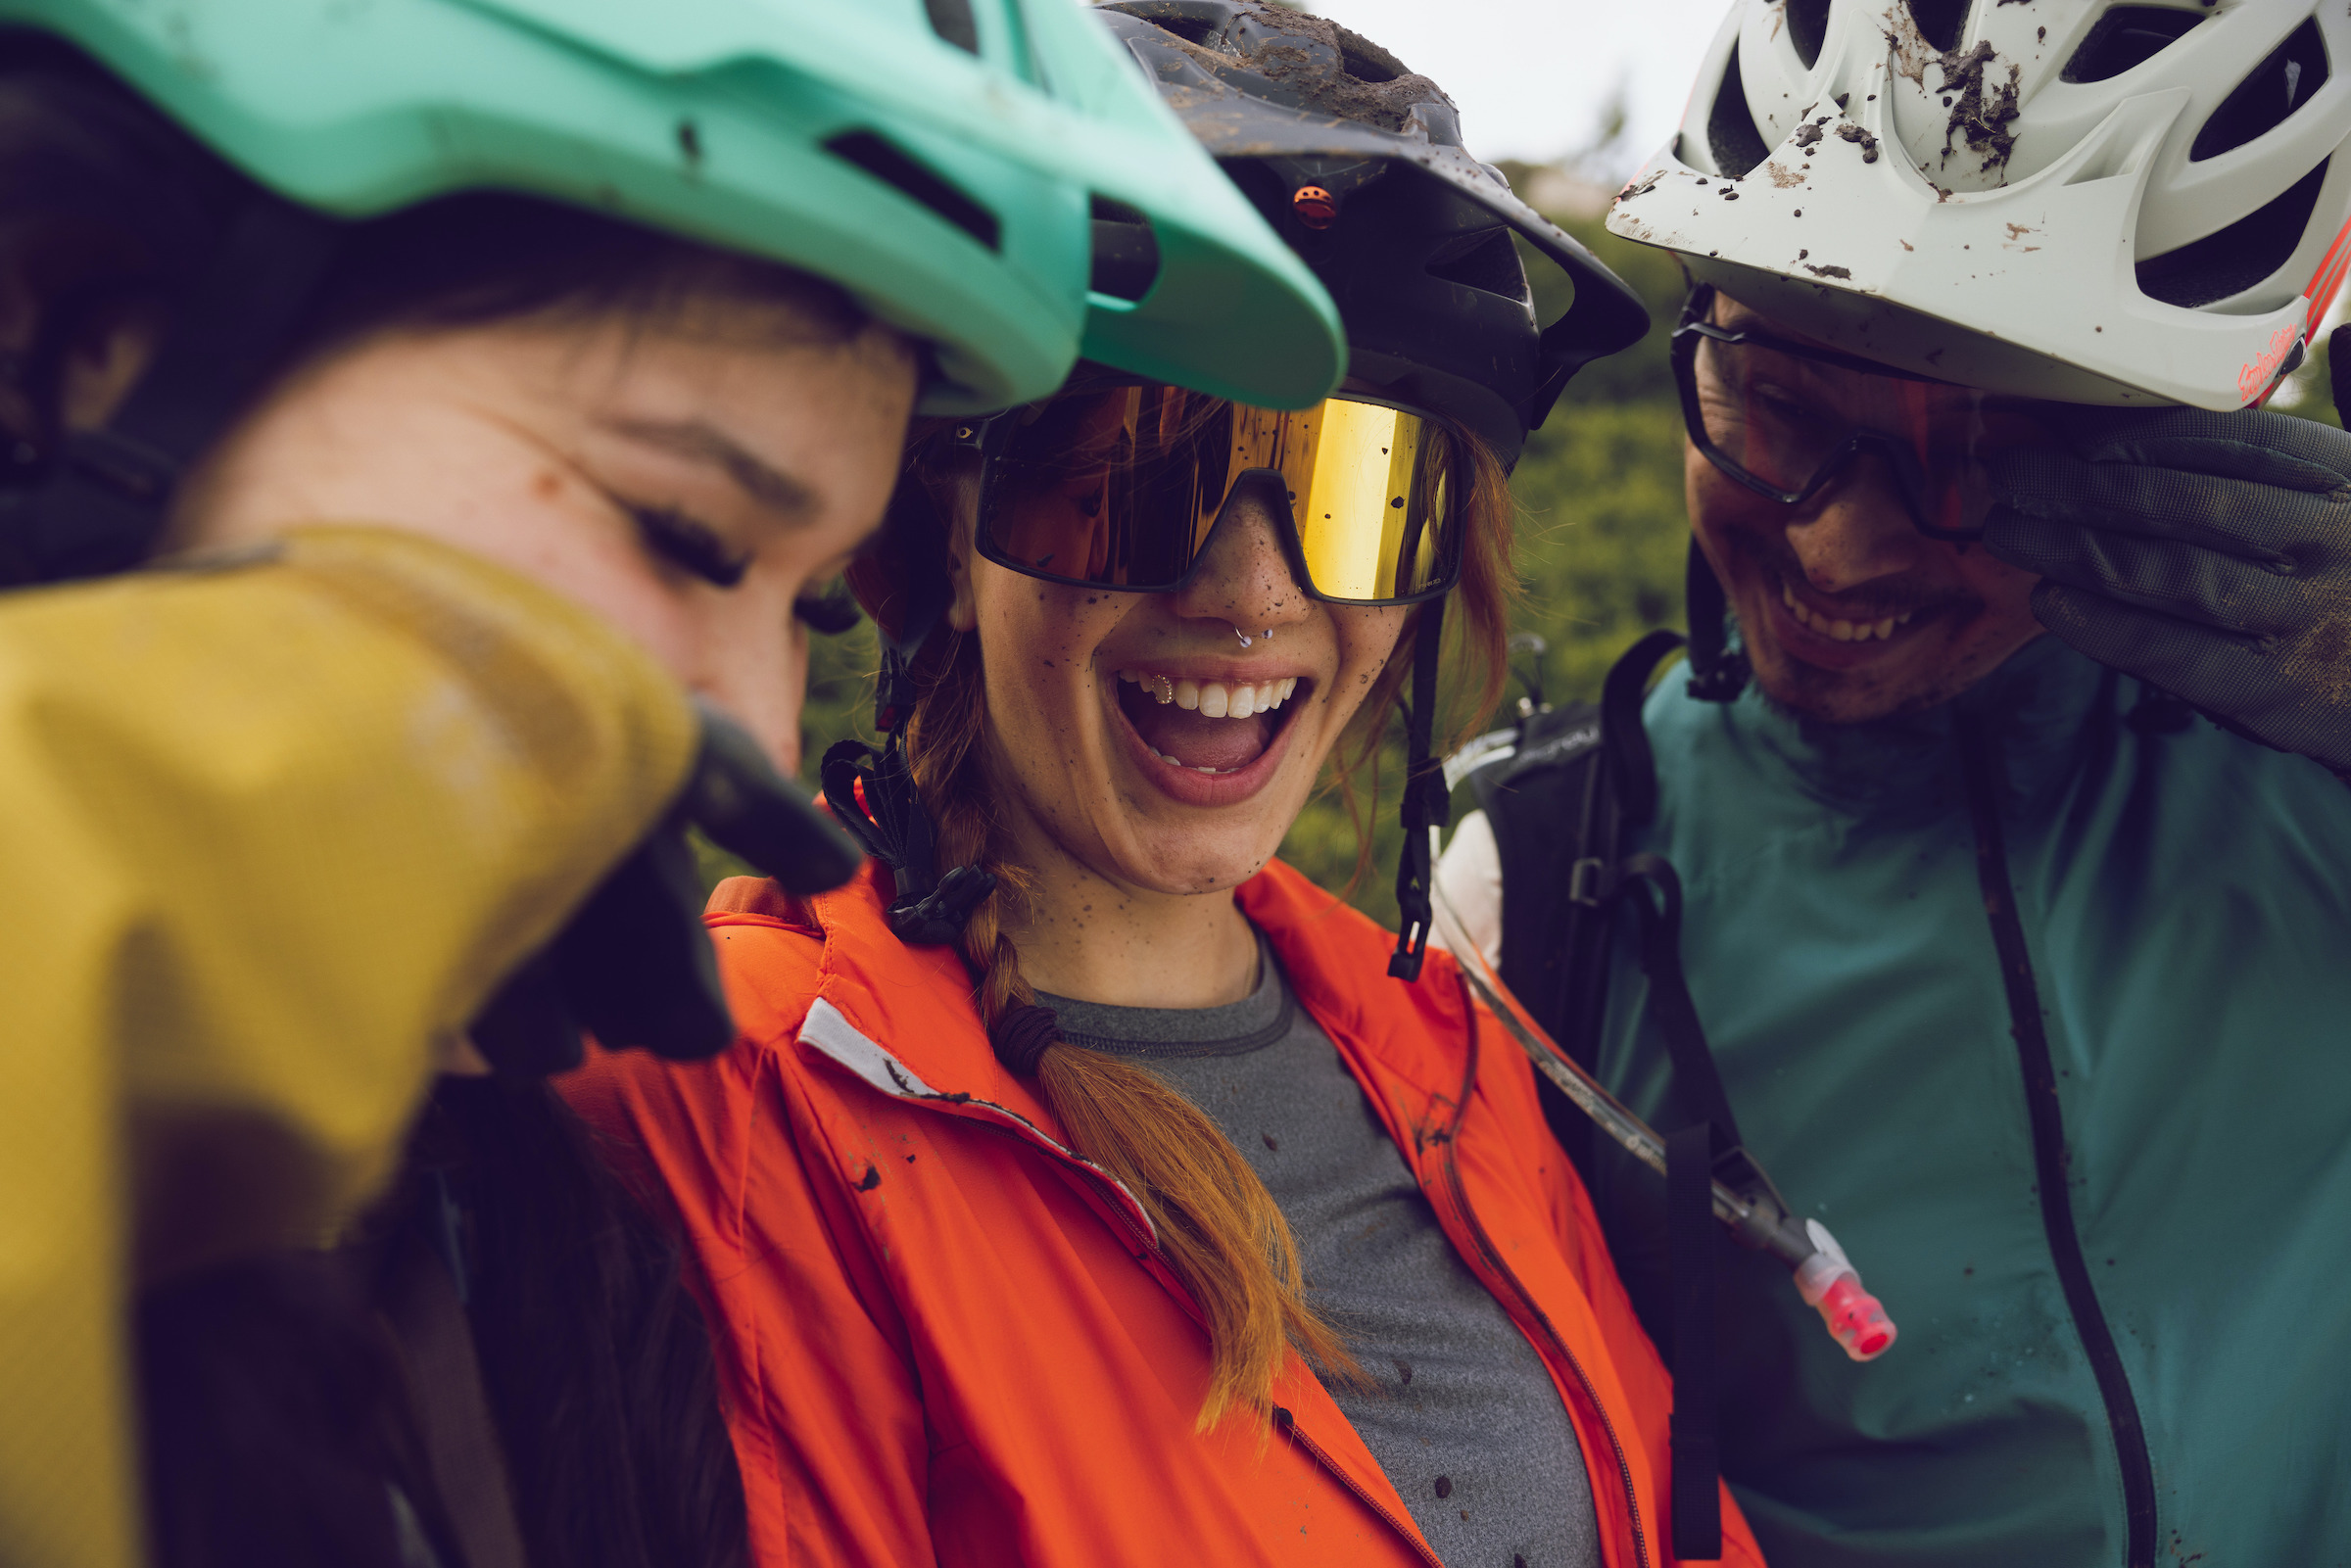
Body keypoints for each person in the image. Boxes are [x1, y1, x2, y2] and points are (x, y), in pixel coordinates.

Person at [0, 2, 1349, 1564]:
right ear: (76, 327)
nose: (753, 735)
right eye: (683, 532)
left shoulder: (521, 1249)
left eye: (805, 604)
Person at [564, 7, 1764, 1566]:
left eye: (1358, 495)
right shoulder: (746, 1088)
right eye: (1129, 474)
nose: (1252, 596)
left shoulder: (1441, 1046)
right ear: (927, 532)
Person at [1437, 1, 2351, 1563]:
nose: (1838, 547)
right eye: (1775, 405)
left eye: (1972, 456)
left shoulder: (2313, 778)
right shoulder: (1540, 896)